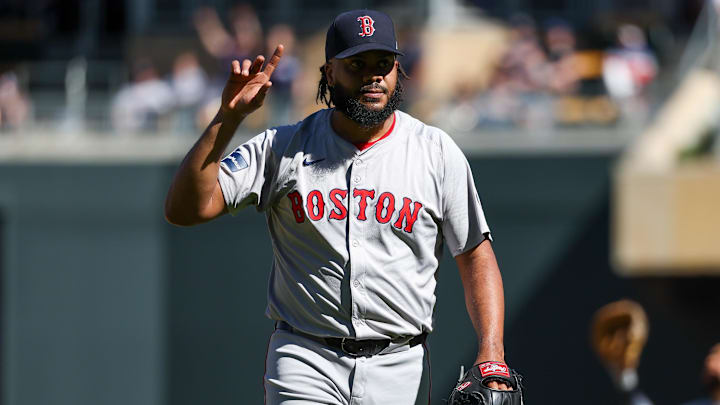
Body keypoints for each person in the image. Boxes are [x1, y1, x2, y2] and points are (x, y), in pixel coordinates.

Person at [165, 9, 511, 404]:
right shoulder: (283, 147)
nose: (373, 75)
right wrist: (227, 120)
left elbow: (475, 254)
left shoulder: (435, 152)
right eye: (357, 64)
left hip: (399, 362)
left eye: (384, 64)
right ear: (329, 73)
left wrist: (492, 354)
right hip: (305, 357)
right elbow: (185, 209)